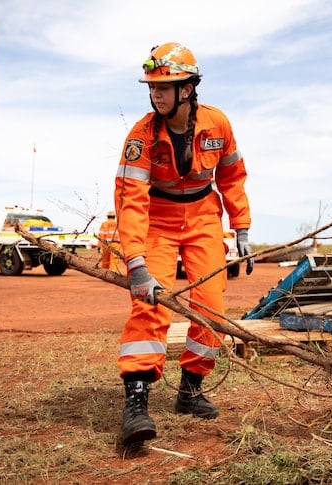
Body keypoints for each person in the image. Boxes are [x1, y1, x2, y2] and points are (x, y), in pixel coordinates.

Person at [113, 42, 253, 446]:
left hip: (204, 218)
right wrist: (137, 263)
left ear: (188, 89)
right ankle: (136, 401)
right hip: (156, 219)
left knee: (213, 308)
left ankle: (190, 391)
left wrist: (241, 228)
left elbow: (232, 177)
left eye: (165, 86)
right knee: (149, 303)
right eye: (152, 87)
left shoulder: (218, 125)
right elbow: (130, 200)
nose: (156, 94)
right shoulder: (141, 136)